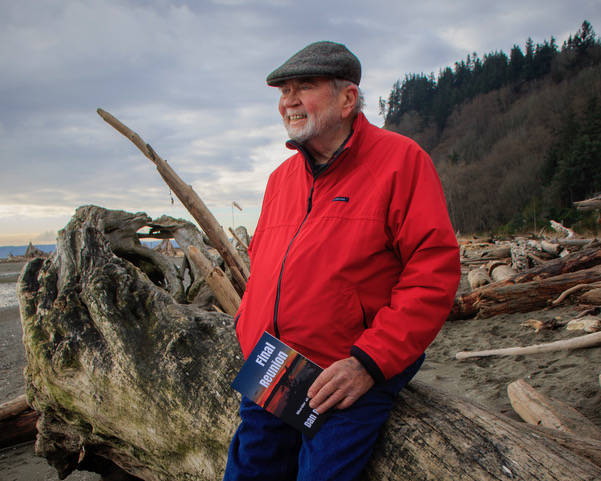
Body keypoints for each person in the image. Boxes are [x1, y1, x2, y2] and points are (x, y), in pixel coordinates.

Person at [223, 41, 460, 481]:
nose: (288, 101)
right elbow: (265, 270)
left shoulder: (401, 162)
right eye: (282, 91)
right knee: (246, 472)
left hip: (350, 363)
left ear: (348, 99)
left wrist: (368, 363)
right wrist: (248, 330)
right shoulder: (280, 180)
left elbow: (433, 273)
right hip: (277, 362)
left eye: (304, 87)